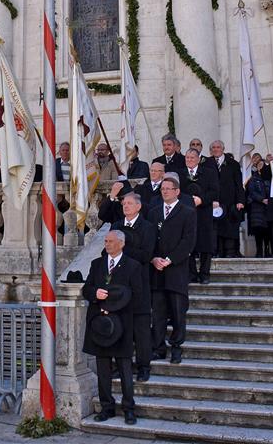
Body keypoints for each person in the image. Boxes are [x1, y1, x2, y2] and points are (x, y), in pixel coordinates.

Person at [82, 229, 143, 426]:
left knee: (125, 368)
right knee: (103, 368)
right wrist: (95, 294)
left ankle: (129, 409)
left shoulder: (133, 266)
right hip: (100, 325)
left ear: (121, 244)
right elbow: (86, 289)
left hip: (122, 325)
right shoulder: (96, 264)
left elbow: (137, 295)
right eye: (106, 241)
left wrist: (113, 307)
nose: (107, 244)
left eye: (110, 241)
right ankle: (106, 407)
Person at [148, 174, 197, 364]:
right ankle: (158, 347)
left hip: (176, 270)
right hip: (157, 271)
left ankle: (176, 347)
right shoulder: (153, 212)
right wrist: (154, 258)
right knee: (158, 312)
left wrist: (169, 259)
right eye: (162, 189)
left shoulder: (187, 212)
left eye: (168, 189)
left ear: (177, 191)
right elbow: (150, 238)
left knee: (177, 312)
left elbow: (188, 241)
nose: (165, 192)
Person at [109, 193, 156, 381]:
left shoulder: (148, 227)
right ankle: (121, 365)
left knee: (141, 330)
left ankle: (144, 366)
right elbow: (109, 251)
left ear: (138, 206)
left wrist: (122, 248)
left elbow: (146, 255)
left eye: (129, 203)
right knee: (120, 328)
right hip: (118, 285)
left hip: (140, 284)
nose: (125, 206)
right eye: (123, 203)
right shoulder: (117, 226)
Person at [182, 148, 219, 284]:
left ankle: (204, 274)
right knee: (188, 243)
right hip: (186, 213)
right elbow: (177, 192)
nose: (189, 160)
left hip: (204, 213)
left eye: (192, 158)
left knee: (205, 244)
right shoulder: (181, 174)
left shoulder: (208, 173)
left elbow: (214, 191)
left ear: (198, 159)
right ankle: (192, 273)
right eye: (187, 158)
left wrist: (201, 200)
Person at [205, 141, 244, 257]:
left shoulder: (233, 164)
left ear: (223, 149)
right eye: (213, 148)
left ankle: (230, 252)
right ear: (210, 150)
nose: (216, 149)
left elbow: (239, 184)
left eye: (218, 147)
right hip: (213, 202)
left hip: (230, 202)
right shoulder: (206, 163)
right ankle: (216, 251)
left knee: (229, 227)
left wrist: (240, 201)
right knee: (215, 228)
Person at [246, 157, 272, 257]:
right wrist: (261, 199)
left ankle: (267, 249)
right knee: (258, 231)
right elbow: (251, 192)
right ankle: (259, 250)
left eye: (263, 165)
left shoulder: (270, 178)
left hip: (268, 208)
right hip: (257, 208)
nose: (261, 167)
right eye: (259, 165)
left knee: (267, 231)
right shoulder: (253, 178)